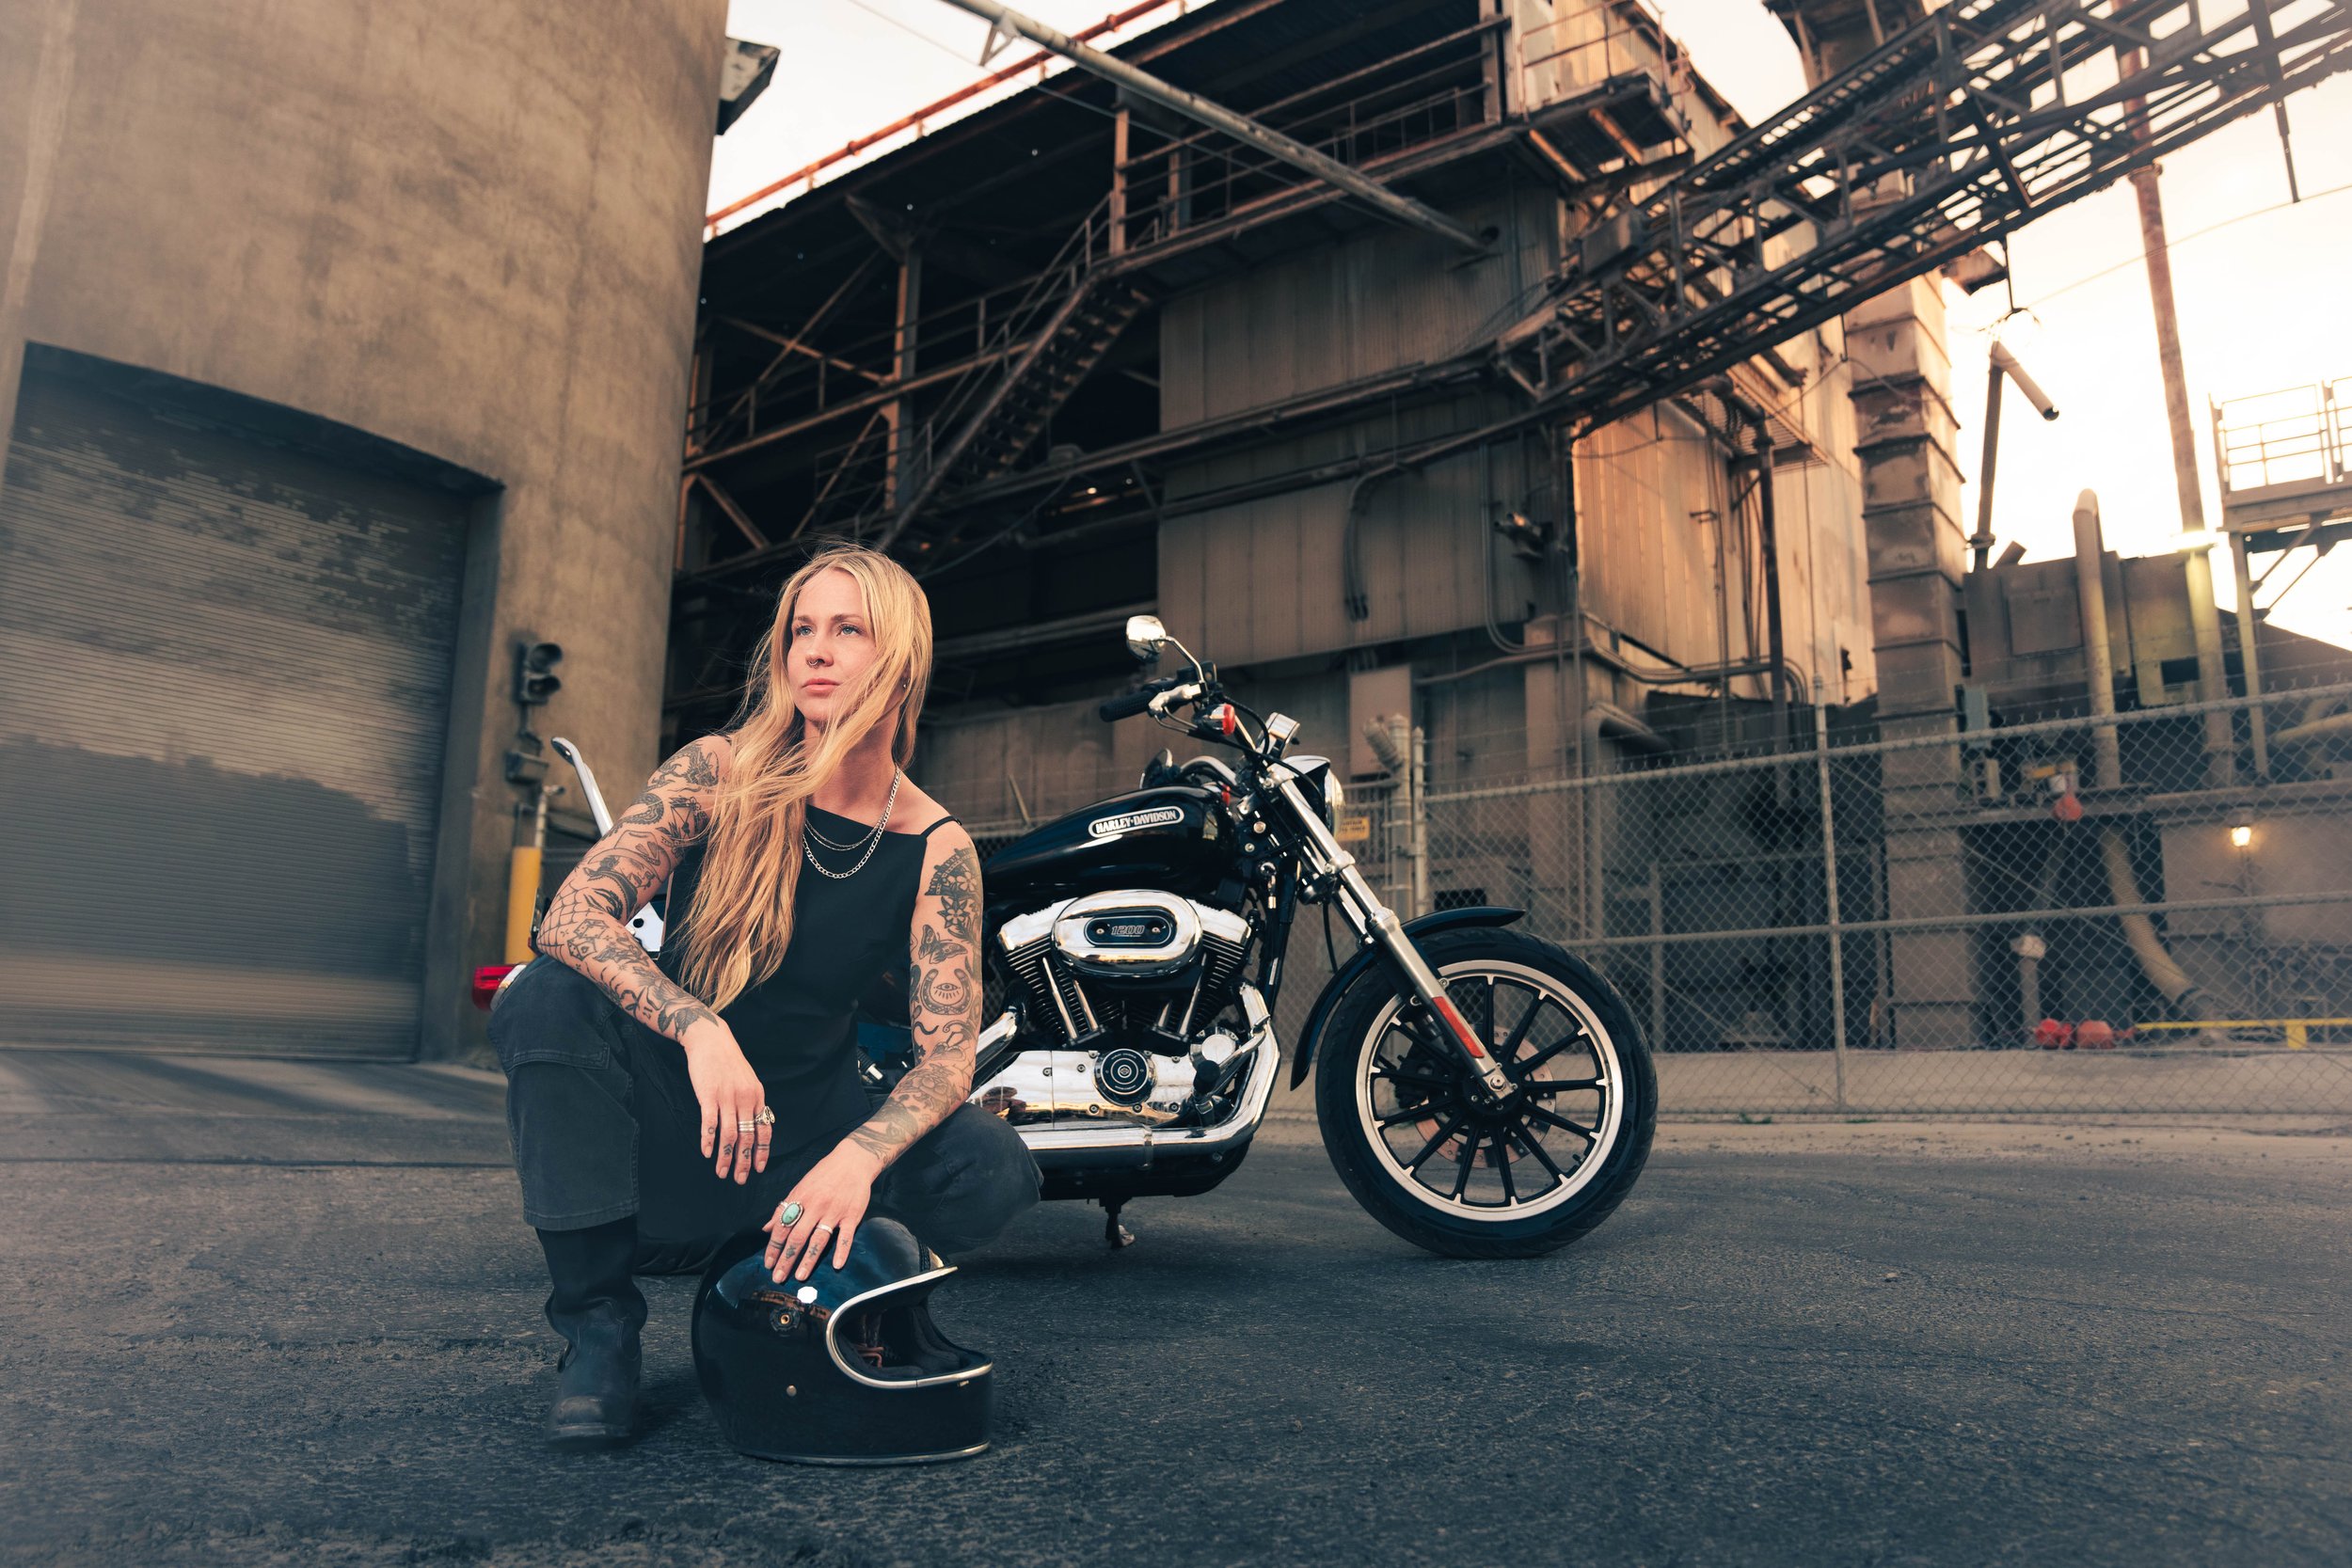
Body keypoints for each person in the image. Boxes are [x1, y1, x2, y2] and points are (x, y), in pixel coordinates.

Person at [488, 544, 1041, 1449]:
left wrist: (857, 1158)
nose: (814, 652)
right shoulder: (717, 771)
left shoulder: (937, 847)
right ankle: (597, 1329)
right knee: (543, 998)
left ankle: (819, 1276)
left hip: (803, 1138)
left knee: (990, 1162)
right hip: (679, 1122)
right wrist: (698, 1027)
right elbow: (573, 914)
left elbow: (948, 1052)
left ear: (897, 657)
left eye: (847, 629)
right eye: (801, 630)